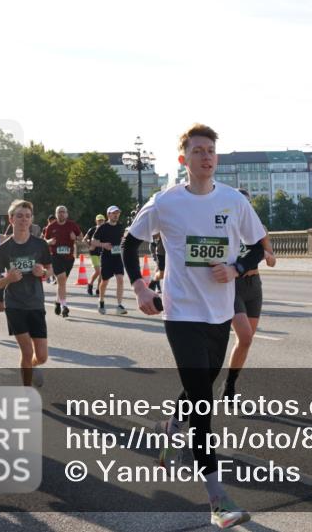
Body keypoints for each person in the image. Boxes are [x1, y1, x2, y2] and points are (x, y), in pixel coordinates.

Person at [123, 123, 266, 528]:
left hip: (219, 314)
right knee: (204, 402)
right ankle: (217, 500)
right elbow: (129, 244)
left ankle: (170, 427)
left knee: (199, 385)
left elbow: (258, 246)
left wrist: (237, 267)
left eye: (211, 151)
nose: (206, 156)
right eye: (198, 150)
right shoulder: (165, 202)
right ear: (183, 159)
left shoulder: (234, 201)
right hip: (181, 313)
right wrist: (139, 289)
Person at [0, 200, 52, 387]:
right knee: (26, 351)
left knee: (41, 356)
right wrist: (8, 279)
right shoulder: (4, 249)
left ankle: (31, 367)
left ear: (31, 219)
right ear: (11, 219)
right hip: (15, 305)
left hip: (36, 303)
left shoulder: (40, 245)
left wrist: (42, 273)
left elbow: (50, 270)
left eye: (27, 216)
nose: (24, 220)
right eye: (19, 216)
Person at [222, 189, 277, 399]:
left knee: (246, 341)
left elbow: (271, 257)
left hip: (254, 286)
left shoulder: (259, 228)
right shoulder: (224, 228)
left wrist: (268, 257)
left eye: (247, 204)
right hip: (233, 286)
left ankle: (230, 384)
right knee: (244, 335)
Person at [43, 205, 82, 318]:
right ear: (56, 214)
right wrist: (49, 241)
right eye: (59, 212)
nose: (61, 214)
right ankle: (65, 306)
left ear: (67, 214)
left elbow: (81, 238)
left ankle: (58, 302)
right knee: (61, 278)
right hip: (55, 257)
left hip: (69, 258)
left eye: (63, 212)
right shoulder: (51, 227)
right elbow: (45, 241)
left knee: (62, 282)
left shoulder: (72, 225)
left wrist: (75, 237)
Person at [91, 207, 126, 314]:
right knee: (105, 281)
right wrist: (103, 245)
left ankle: (119, 305)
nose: (116, 215)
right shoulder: (103, 227)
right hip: (106, 257)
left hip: (117, 257)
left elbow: (121, 239)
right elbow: (93, 241)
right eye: (114, 213)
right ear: (108, 215)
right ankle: (101, 301)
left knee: (120, 279)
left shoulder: (120, 227)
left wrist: (123, 243)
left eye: (117, 213)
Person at [84, 214, 105, 296]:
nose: (100, 222)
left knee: (102, 273)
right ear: (96, 221)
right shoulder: (92, 229)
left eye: (102, 220)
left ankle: (98, 289)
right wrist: (90, 246)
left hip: (103, 252)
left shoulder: (106, 230)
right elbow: (84, 239)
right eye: (99, 221)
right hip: (94, 253)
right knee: (98, 271)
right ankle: (90, 285)